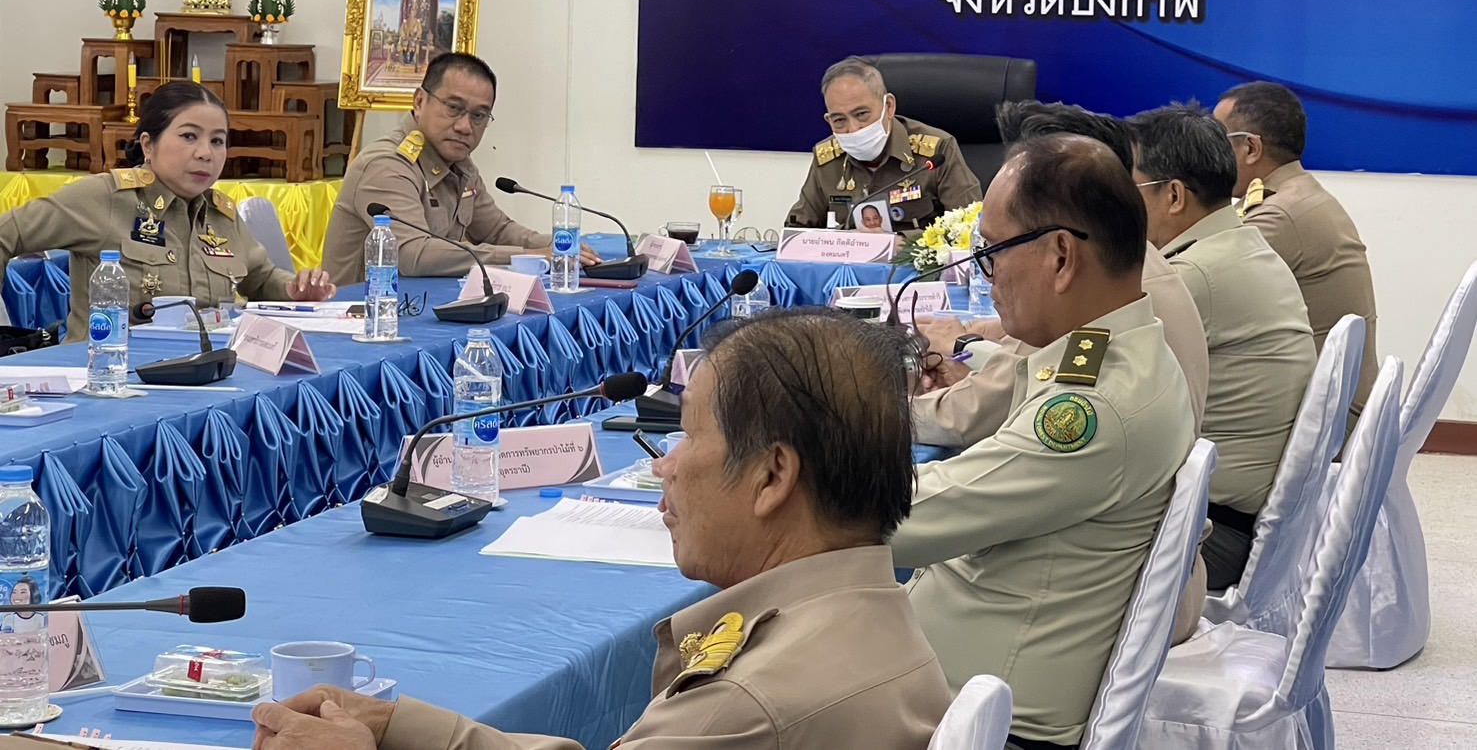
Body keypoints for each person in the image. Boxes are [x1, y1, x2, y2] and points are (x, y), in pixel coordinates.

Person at [252, 309, 953, 750]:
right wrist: (400, 729)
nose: (666, 468)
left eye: (685, 439)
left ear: (772, 476)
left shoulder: (748, 708)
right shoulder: (876, 611)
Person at [892, 135, 1194, 749]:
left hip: (981, 725)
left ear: (1060, 257)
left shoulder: (1091, 409)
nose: (989, 277)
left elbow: (899, 517)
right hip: (962, 689)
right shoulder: (1110, 350)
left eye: (993, 254)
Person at [912, 101, 1209, 446]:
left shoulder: (1090, 294)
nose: (991, 274)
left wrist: (872, 407)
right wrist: (972, 348)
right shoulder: (1131, 264)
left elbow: (969, 416)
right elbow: (1020, 375)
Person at [1130, 103, 1316, 592]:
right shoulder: (1241, 245)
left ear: (1173, 195)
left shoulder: (1190, 278)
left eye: (1128, 192)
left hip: (1208, 532)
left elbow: (1101, 381)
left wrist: (964, 351)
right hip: (1232, 514)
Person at [0, 82, 334, 341]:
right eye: (189, 136)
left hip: (203, 380)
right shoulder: (105, 198)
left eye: (218, 141)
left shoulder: (219, 215)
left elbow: (260, 280)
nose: (206, 153)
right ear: (148, 145)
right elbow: (6, 234)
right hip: (111, 380)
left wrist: (295, 289)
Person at [323, 53, 597, 283]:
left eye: (478, 116)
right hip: (363, 321)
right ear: (419, 101)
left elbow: (498, 231)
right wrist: (529, 256)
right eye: (453, 108)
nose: (465, 127)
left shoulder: (460, 165)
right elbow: (414, 255)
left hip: (423, 311)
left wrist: (562, 244)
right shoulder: (387, 165)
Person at [1214, 81, 1379, 436]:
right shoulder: (1295, 196)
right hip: (1334, 403)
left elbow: (1205, 285)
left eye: (1216, 139)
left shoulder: (1280, 214)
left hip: (1329, 420)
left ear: (1251, 148)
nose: (1207, 152)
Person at [786, 57, 981, 231]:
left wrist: (904, 243)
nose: (853, 129)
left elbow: (969, 228)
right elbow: (796, 229)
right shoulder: (827, 159)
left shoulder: (937, 151)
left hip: (917, 268)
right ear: (828, 121)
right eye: (839, 120)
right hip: (851, 269)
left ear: (888, 107)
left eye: (861, 114)